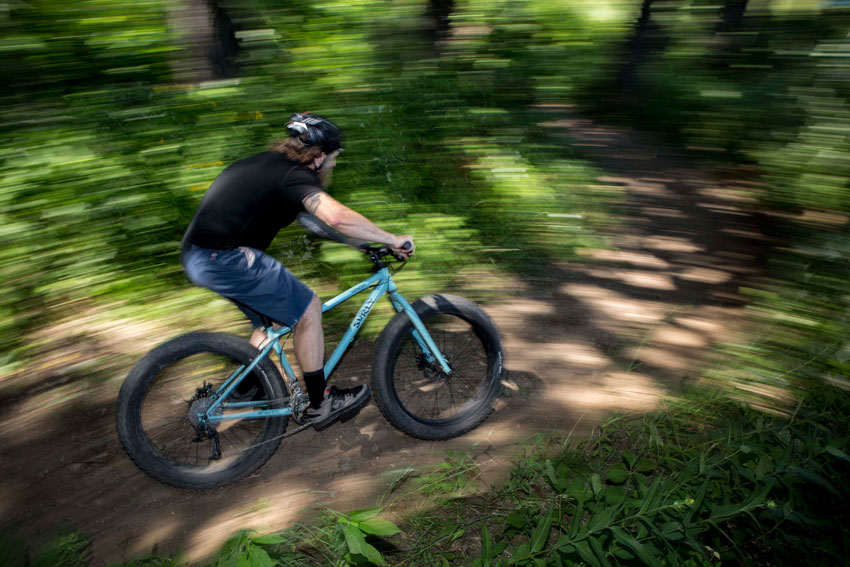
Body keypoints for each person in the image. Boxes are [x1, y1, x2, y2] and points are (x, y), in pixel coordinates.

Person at [180, 113, 414, 431]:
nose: (333, 165)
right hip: (224, 258)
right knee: (308, 308)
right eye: (333, 159)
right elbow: (335, 216)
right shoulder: (293, 175)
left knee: (272, 323)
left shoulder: (266, 165)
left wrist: (361, 245)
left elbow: (312, 221)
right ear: (318, 157)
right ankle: (321, 404)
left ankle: (246, 390)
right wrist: (391, 238)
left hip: (198, 256)